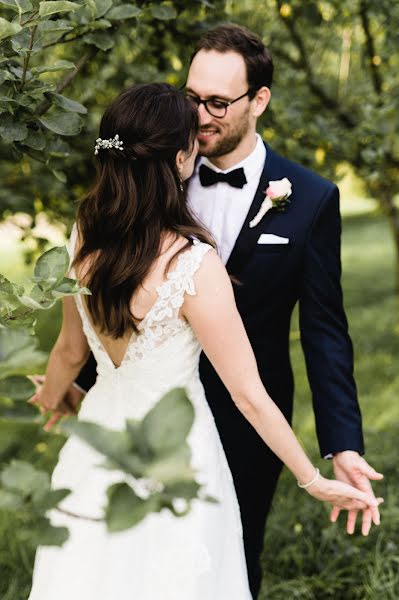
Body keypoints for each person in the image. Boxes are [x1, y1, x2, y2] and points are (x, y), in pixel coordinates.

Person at [27, 83, 381, 600]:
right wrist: (311, 478)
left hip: (97, 446)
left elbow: (68, 352)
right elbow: (247, 394)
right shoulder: (191, 263)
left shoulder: (82, 237)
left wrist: (52, 396)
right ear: (179, 157)